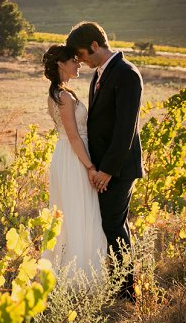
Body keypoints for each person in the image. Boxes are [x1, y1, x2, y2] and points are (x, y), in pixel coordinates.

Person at [65, 21, 143, 302]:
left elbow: (125, 130)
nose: (80, 61)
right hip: (102, 168)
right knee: (112, 224)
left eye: (81, 54)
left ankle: (126, 293)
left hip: (119, 168)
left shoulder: (127, 74)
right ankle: (118, 283)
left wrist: (107, 170)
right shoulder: (99, 74)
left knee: (113, 226)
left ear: (94, 45)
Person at [40, 44, 108, 286]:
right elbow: (73, 137)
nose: (79, 64)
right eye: (74, 61)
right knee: (77, 212)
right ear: (61, 64)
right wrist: (90, 167)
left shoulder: (61, 93)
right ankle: (76, 278)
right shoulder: (64, 97)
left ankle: (75, 272)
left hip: (69, 155)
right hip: (73, 158)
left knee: (75, 211)